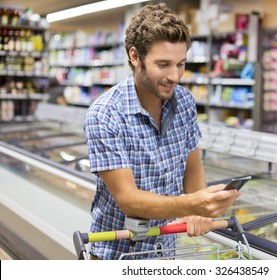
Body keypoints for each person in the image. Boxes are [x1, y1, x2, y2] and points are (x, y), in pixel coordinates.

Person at [83, 2, 239, 260]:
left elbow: (193, 168)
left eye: (180, 64)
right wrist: (191, 203)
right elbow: (129, 200)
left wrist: (197, 210)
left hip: (165, 253)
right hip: (117, 253)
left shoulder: (185, 102)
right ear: (135, 57)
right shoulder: (105, 115)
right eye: (163, 64)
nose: (175, 75)